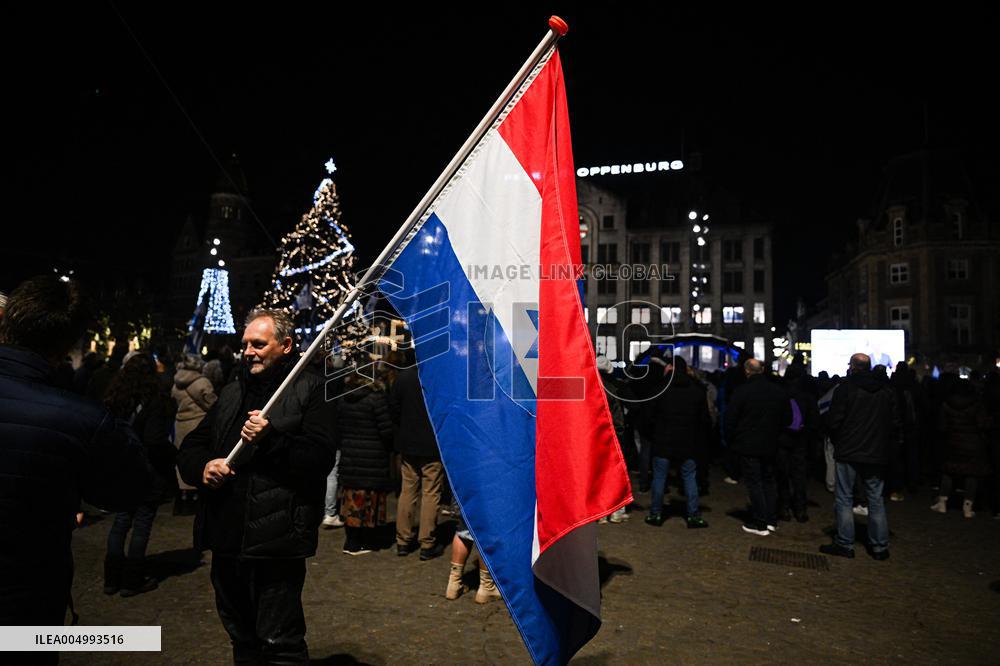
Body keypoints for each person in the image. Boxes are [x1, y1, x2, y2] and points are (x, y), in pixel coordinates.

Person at [177, 308, 336, 664]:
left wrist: (271, 438)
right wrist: (204, 467)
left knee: (281, 644)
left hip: (276, 542)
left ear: (286, 345)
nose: (248, 351)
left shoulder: (312, 389)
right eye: (245, 344)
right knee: (241, 638)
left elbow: (319, 458)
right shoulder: (233, 390)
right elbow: (193, 446)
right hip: (225, 539)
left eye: (259, 344)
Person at [0, 276, 150, 637]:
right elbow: (130, 490)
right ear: (67, 345)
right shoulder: (81, 418)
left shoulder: (80, 416)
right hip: (26, 598)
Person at [102, 353, 176, 596]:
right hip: (147, 468)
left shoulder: (117, 396)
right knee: (142, 521)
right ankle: (132, 578)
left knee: (122, 519)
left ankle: (111, 576)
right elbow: (155, 439)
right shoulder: (156, 400)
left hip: (122, 465)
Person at [821, 353, 899, 560]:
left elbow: (834, 419)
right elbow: (894, 422)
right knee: (875, 498)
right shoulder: (886, 390)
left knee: (844, 497)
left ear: (853, 367)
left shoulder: (845, 388)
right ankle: (880, 547)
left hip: (848, 450)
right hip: (875, 452)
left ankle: (845, 543)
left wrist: (836, 438)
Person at [725, 358, 792, 536]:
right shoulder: (778, 391)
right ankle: (770, 519)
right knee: (769, 480)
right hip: (772, 442)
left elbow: (730, 419)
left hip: (748, 443)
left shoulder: (741, 391)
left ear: (747, 371)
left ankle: (760, 521)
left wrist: (732, 440)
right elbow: (788, 419)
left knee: (754, 482)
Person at [334, 362, 395, 555]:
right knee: (369, 500)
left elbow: (339, 426)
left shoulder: (343, 399)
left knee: (351, 500)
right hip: (372, 458)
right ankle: (364, 541)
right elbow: (386, 430)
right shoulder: (376, 399)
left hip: (350, 457)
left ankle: (351, 540)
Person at [644, 356, 710, 528]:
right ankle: (693, 515)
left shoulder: (660, 389)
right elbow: (704, 420)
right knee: (689, 477)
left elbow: (648, 416)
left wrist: (651, 434)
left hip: (663, 440)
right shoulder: (696, 390)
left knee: (659, 477)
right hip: (688, 441)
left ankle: (656, 514)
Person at [390, 365, 445, 558]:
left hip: (408, 442)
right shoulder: (439, 378)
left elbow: (394, 409)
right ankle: (427, 542)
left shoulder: (403, 377)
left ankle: (403, 540)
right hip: (432, 444)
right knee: (431, 492)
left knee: (408, 490)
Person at [930, 378, 991, 518]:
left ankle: (942, 502)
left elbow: (942, 425)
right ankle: (967, 507)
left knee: (949, 471)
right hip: (972, 443)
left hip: (952, 442)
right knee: (971, 473)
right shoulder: (976, 404)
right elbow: (983, 423)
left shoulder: (947, 404)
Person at [171, 353, 217, 515]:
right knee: (197, 458)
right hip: (197, 423)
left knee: (182, 459)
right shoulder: (202, 382)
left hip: (180, 423)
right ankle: (195, 498)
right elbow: (212, 403)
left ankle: (182, 498)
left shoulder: (177, 380)